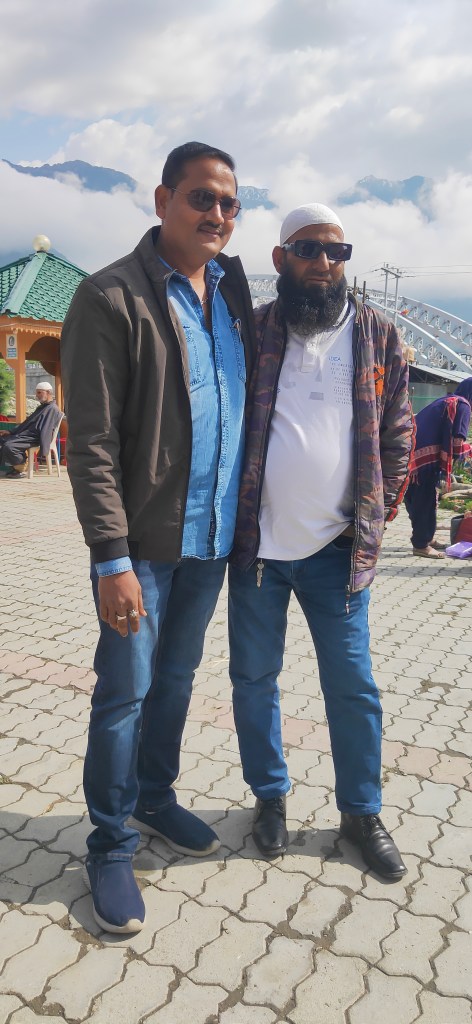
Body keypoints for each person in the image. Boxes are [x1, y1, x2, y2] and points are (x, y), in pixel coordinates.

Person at [61, 141, 256, 933]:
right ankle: (109, 844)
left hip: (209, 541)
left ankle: (154, 797)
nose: (218, 214)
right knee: (124, 694)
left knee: (174, 683)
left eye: (230, 203)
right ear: (163, 199)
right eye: (202, 197)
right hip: (140, 549)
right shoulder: (111, 297)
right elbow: (91, 443)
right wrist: (110, 559)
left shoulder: (232, 295)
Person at [228, 203, 414, 879]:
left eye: (337, 252)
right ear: (281, 259)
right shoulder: (254, 330)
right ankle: (269, 797)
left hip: (337, 551)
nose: (324, 263)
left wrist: (377, 517)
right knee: (254, 679)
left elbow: (398, 431)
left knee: (353, 687)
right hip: (258, 550)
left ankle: (361, 813)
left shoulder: (377, 334)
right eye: (308, 250)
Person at [404, 378, 472, 558]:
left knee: (415, 499)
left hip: (410, 456)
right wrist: (469, 451)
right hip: (426, 462)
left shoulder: (446, 400)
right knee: (425, 501)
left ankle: (426, 536)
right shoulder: (463, 405)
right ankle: (421, 545)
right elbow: (457, 443)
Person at [0, 382, 61, 477]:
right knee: (2, 439)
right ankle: (14, 467)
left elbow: (46, 430)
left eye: (39, 392)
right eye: (37, 393)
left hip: (35, 437)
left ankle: (20, 468)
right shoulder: (42, 407)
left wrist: (44, 446)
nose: (37, 395)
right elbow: (26, 423)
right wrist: (10, 432)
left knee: (9, 446)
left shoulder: (52, 409)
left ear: (48, 392)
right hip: (26, 435)